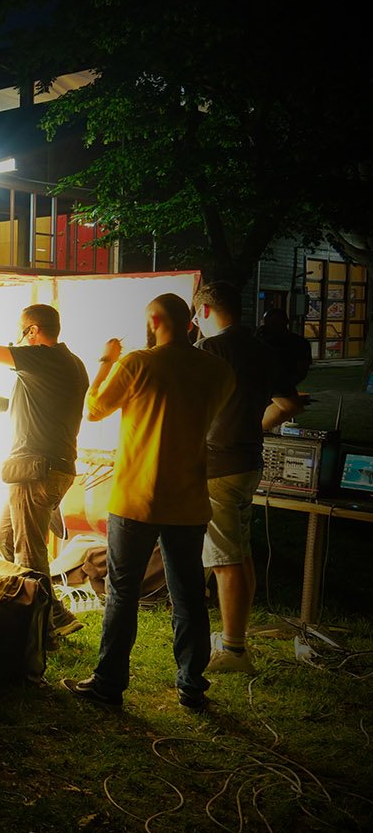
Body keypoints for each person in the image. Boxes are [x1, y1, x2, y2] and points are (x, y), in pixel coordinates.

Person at [64, 294, 234, 710]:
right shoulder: (218, 370)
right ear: (190, 324)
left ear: (154, 320)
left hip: (137, 499)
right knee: (189, 595)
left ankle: (108, 684)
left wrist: (107, 360)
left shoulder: (138, 362)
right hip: (190, 500)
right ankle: (191, 685)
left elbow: (94, 408)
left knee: (122, 593)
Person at [192, 282, 303, 675]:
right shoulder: (263, 350)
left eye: (195, 316)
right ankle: (233, 638)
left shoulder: (208, 350)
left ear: (204, 312)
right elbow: (288, 404)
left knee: (224, 559)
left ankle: (235, 651)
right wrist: (253, 425)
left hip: (218, 464)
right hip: (248, 462)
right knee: (239, 553)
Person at [0, 303, 90, 645]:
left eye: (22, 333)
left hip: (36, 469)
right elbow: (43, 407)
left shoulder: (44, 357)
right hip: (48, 467)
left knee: (29, 554)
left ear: (32, 331)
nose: (19, 341)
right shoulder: (69, 363)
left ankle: (44, 632)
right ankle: (54, 612)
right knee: (5, 539)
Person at [256, 307, 312, 396]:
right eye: (268, 323)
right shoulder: (261, 341)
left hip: (283, 388)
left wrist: (286, 386)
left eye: (275, 323)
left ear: (285, 322)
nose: (271, 326)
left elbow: (302, 369)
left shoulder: (299, 343)